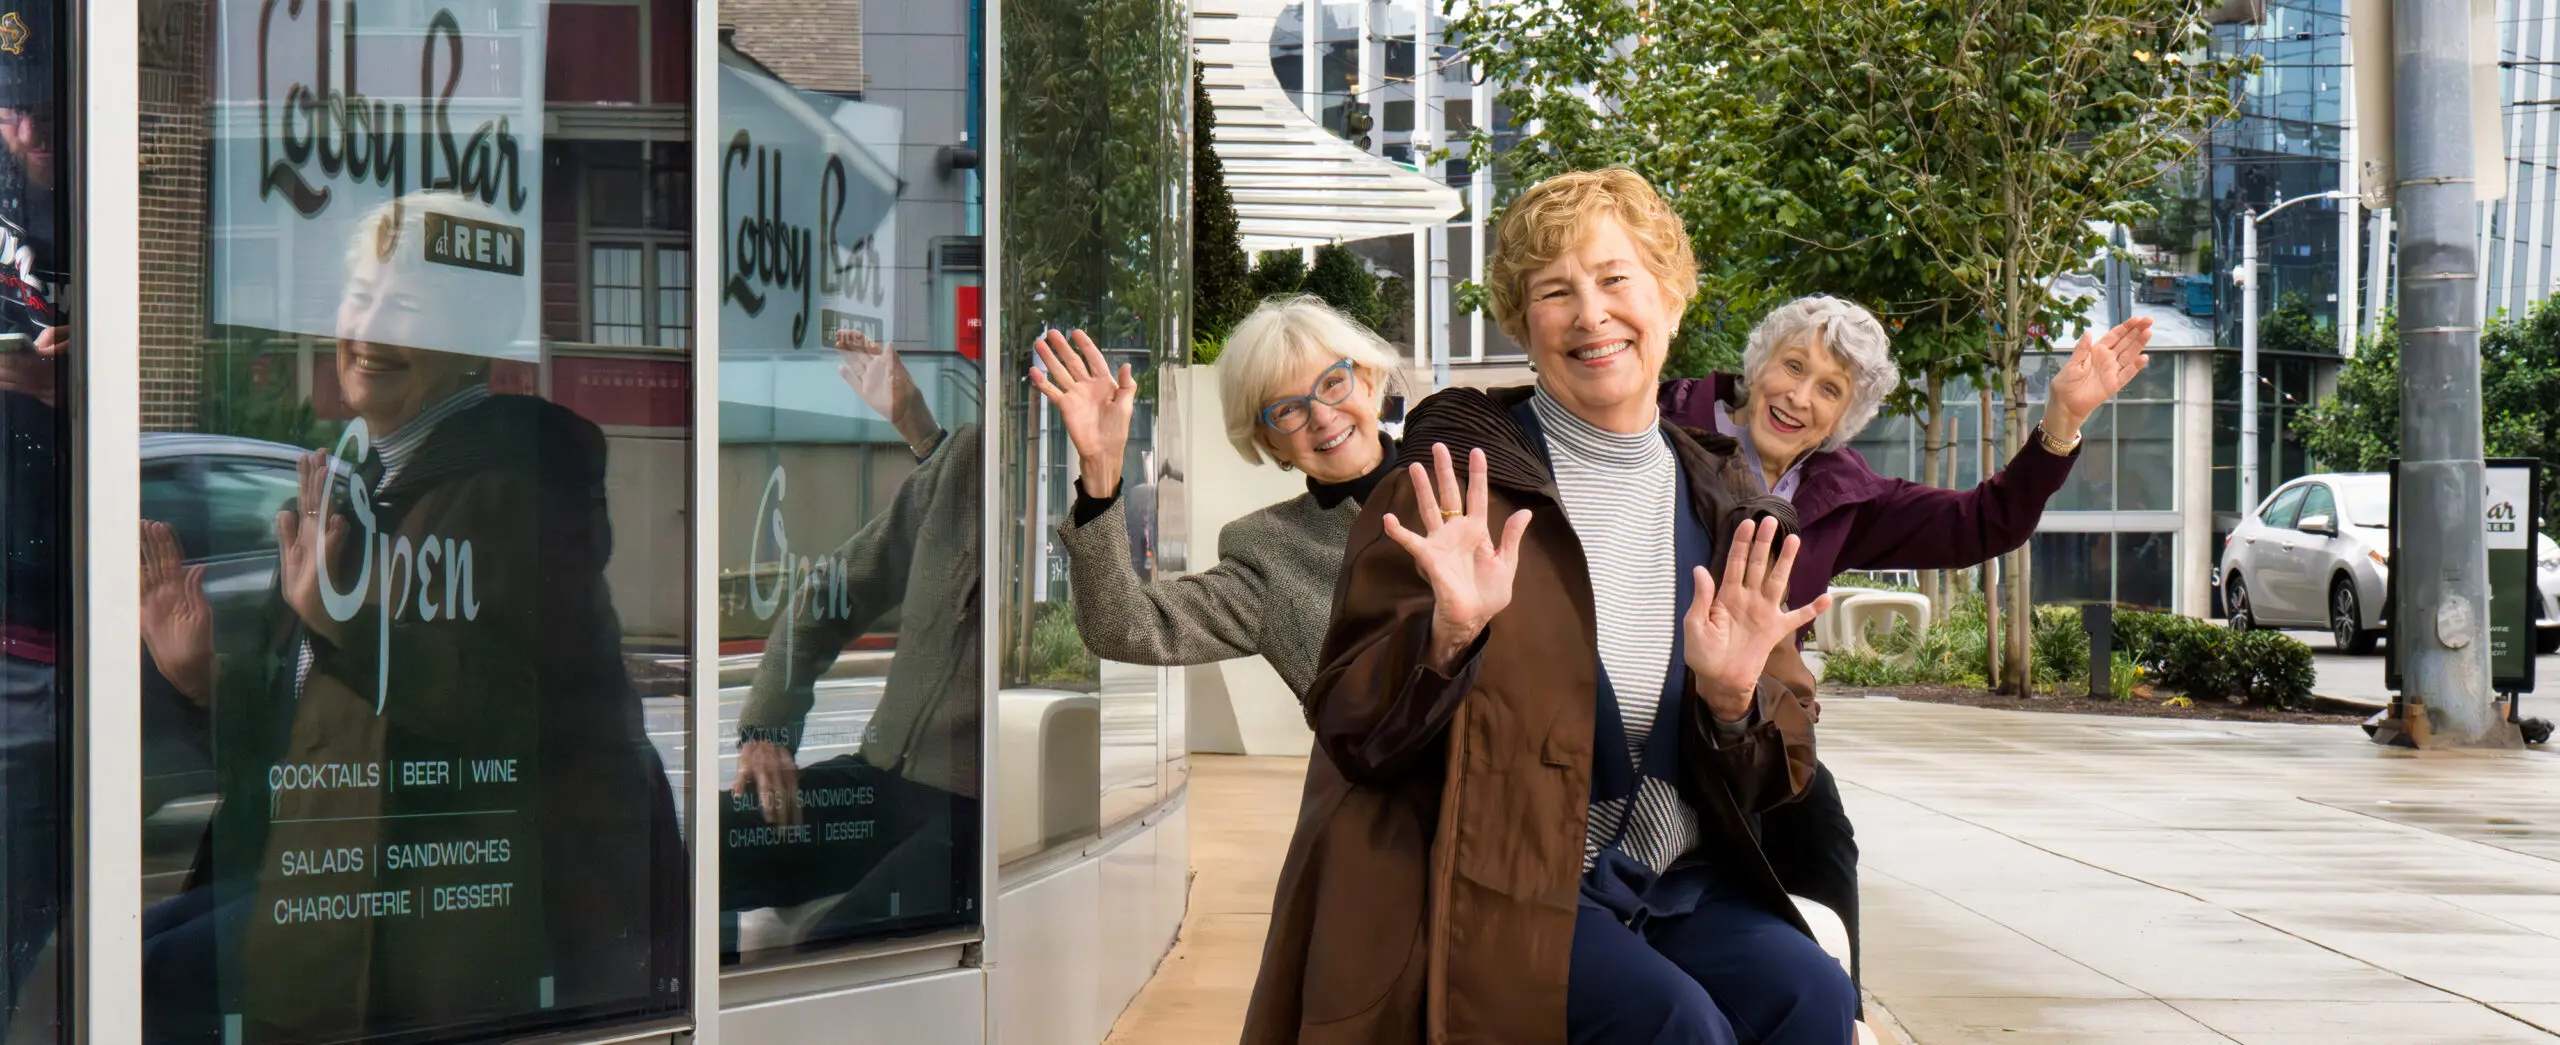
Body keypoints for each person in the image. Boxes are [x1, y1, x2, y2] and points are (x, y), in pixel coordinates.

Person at [1245, 168, 1852, 1045]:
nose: (1591, 314)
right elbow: (1351, 729)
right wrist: (1447, 637)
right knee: (1676, 1027)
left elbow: (1777, 770)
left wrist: (1731, 702)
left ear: (1672, 301)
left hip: (1674, 876)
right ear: (1523, 325)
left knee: (1814, 997)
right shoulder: (1450, 483)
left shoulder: (1725, 509)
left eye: (1615, 280)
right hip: (1504, 880)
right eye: (1555, 291)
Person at [136, 191, 685, 1043]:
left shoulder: (520, 488)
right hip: (336, 876)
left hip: (421, 913)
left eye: (407, 306)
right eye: (361, 296)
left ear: (471, 345)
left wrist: (343, 623)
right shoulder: (360, 479)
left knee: (135, 981)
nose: (367, 327)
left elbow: (510, 716)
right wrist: (204, 676)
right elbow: (325, 729)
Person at [1658, 294, 2155, 990]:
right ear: (1756, 363)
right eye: (1791, 366)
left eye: (1828, 388)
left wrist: (2062, 419)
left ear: (1847, 415)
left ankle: (1839, 1013)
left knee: (1820, 831)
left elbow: (1985, 522)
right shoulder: (1658, 424)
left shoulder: (1841, 496)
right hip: (1631, 705)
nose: (1798, 397)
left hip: (1747, 727)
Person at [723, 328, 981, 947]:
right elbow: (826, 594)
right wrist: (766, 731)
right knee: (693, 857)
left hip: (965, 811)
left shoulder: (1085, 498)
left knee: (828, 952)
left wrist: (920, 430)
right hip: (876, 781)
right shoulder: (963, 465)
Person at [1025, 295, 1405, 702]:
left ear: (1367, 381)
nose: (1323, 416)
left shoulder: (1466, 471)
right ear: (1270, 443)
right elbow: (1123, 627)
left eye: (1332, 382)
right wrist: (1100, 470)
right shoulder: (1272, 555)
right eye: (1288, 410)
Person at [0, 1, 62, 1030]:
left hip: (53, 629)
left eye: (38, 115)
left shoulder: (103, 199)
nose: (21, 134)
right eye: (10, 111)